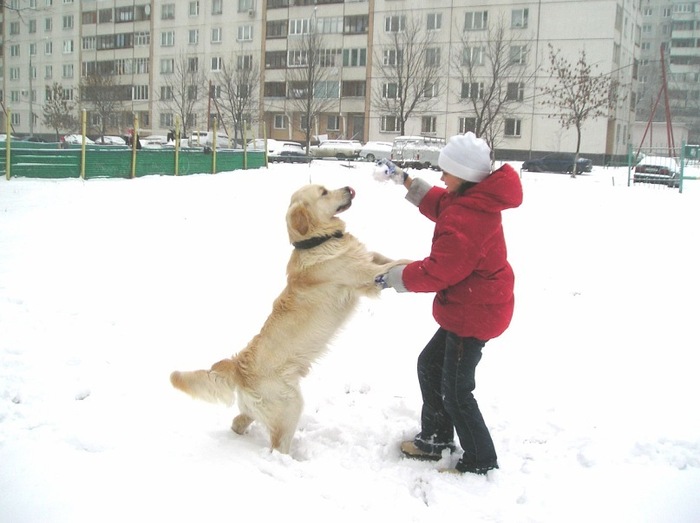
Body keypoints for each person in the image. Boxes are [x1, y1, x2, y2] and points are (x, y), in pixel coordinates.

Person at [375, 132, 523, 475]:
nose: (442, 177)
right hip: (472, 305)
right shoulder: (471, 198)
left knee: (457, 392)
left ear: (466, 175)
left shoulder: (469, 217)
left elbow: (440, 271)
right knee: (430, 365)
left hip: (474, 313)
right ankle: (436, 439)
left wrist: (390, 277)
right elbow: (441, 202)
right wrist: (404, 179)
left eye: (447, 171)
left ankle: (480, 460)